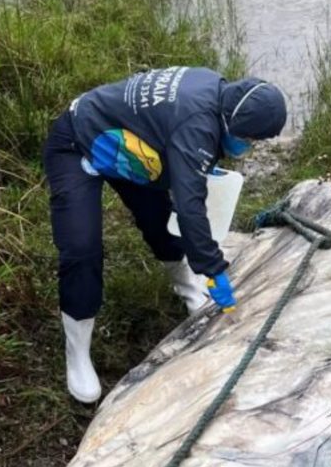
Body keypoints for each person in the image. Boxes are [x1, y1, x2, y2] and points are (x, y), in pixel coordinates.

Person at [42, 67, 288, 403]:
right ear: (235, 122)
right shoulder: (197, 125)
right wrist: (213, 268)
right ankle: (77, 354)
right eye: (250, 139)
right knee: (82, 247)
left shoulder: (214, 88)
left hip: (131, 145)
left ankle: (188, 289)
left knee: (159, 219)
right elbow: (190, 207)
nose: (249, 145)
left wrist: (201, 163)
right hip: (80, 141)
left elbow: (181, 137)